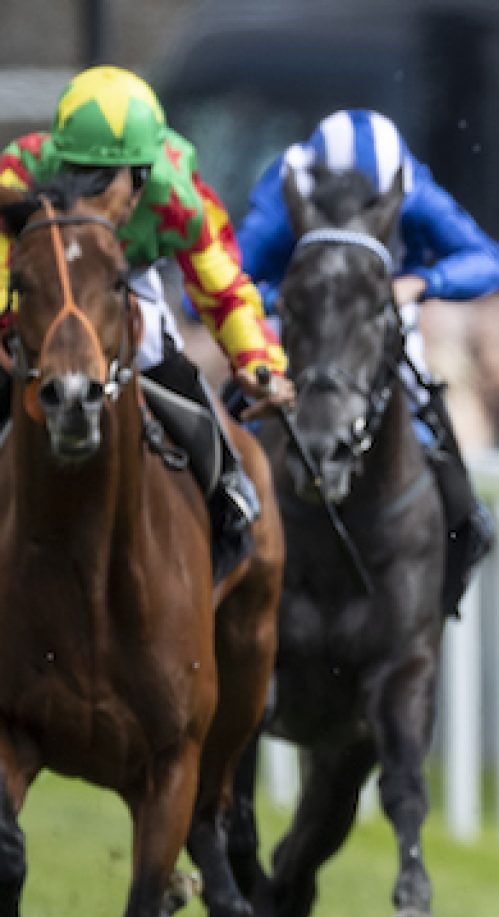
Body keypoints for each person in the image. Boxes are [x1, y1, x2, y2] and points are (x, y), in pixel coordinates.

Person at [0, 65, 293, 578]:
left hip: (126, 280)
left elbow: (220, 286)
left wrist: (258, 360)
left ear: (140, 178)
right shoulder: (17, 177)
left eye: (104, 182)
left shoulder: (180, 196)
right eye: (76, 175)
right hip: (46, 281)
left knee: (169, 368)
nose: (89, 194)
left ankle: (228, 495)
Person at [236, 109, 499, 616]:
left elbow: (490, 262)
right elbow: (218, 284)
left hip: (378, 330)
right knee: (234, 425)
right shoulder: (285, 186)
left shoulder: (407, 182)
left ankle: (452, 558)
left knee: (437, 438)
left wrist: (423, 284)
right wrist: (294, 298)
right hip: (297, 332)